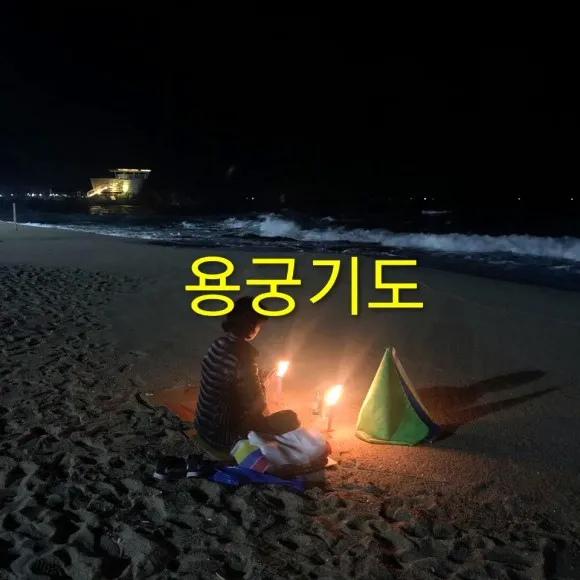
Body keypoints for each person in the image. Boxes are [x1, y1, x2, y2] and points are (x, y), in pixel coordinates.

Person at [193, 296, 300, 457]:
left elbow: (229, 378)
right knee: (291, 418)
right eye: (258, 325)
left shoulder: (217, 344)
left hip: (203, 426)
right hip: (223, 437)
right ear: (251, 326)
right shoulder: (243, 356)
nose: (258, 329)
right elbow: (255, 405)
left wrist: (258, 378)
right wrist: (262, 387)